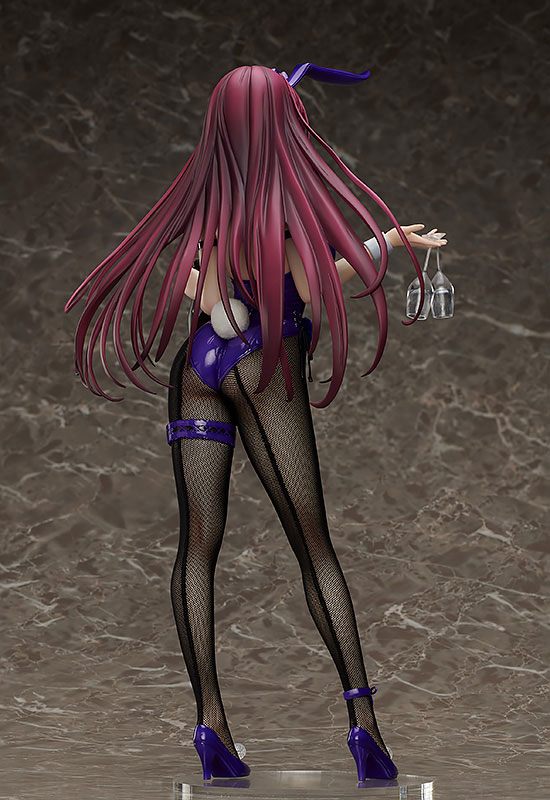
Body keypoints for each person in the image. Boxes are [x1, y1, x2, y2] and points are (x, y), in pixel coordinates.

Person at [64, 63, 447, 783]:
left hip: (198, 369)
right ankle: (364, 727)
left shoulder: (205, 208)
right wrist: (385, 247)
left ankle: (210, 725)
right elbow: (315, 283)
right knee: (314, 547)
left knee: (197, 547)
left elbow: (202, 290)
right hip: (264, 364)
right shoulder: (284, 209)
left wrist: (222, 302)